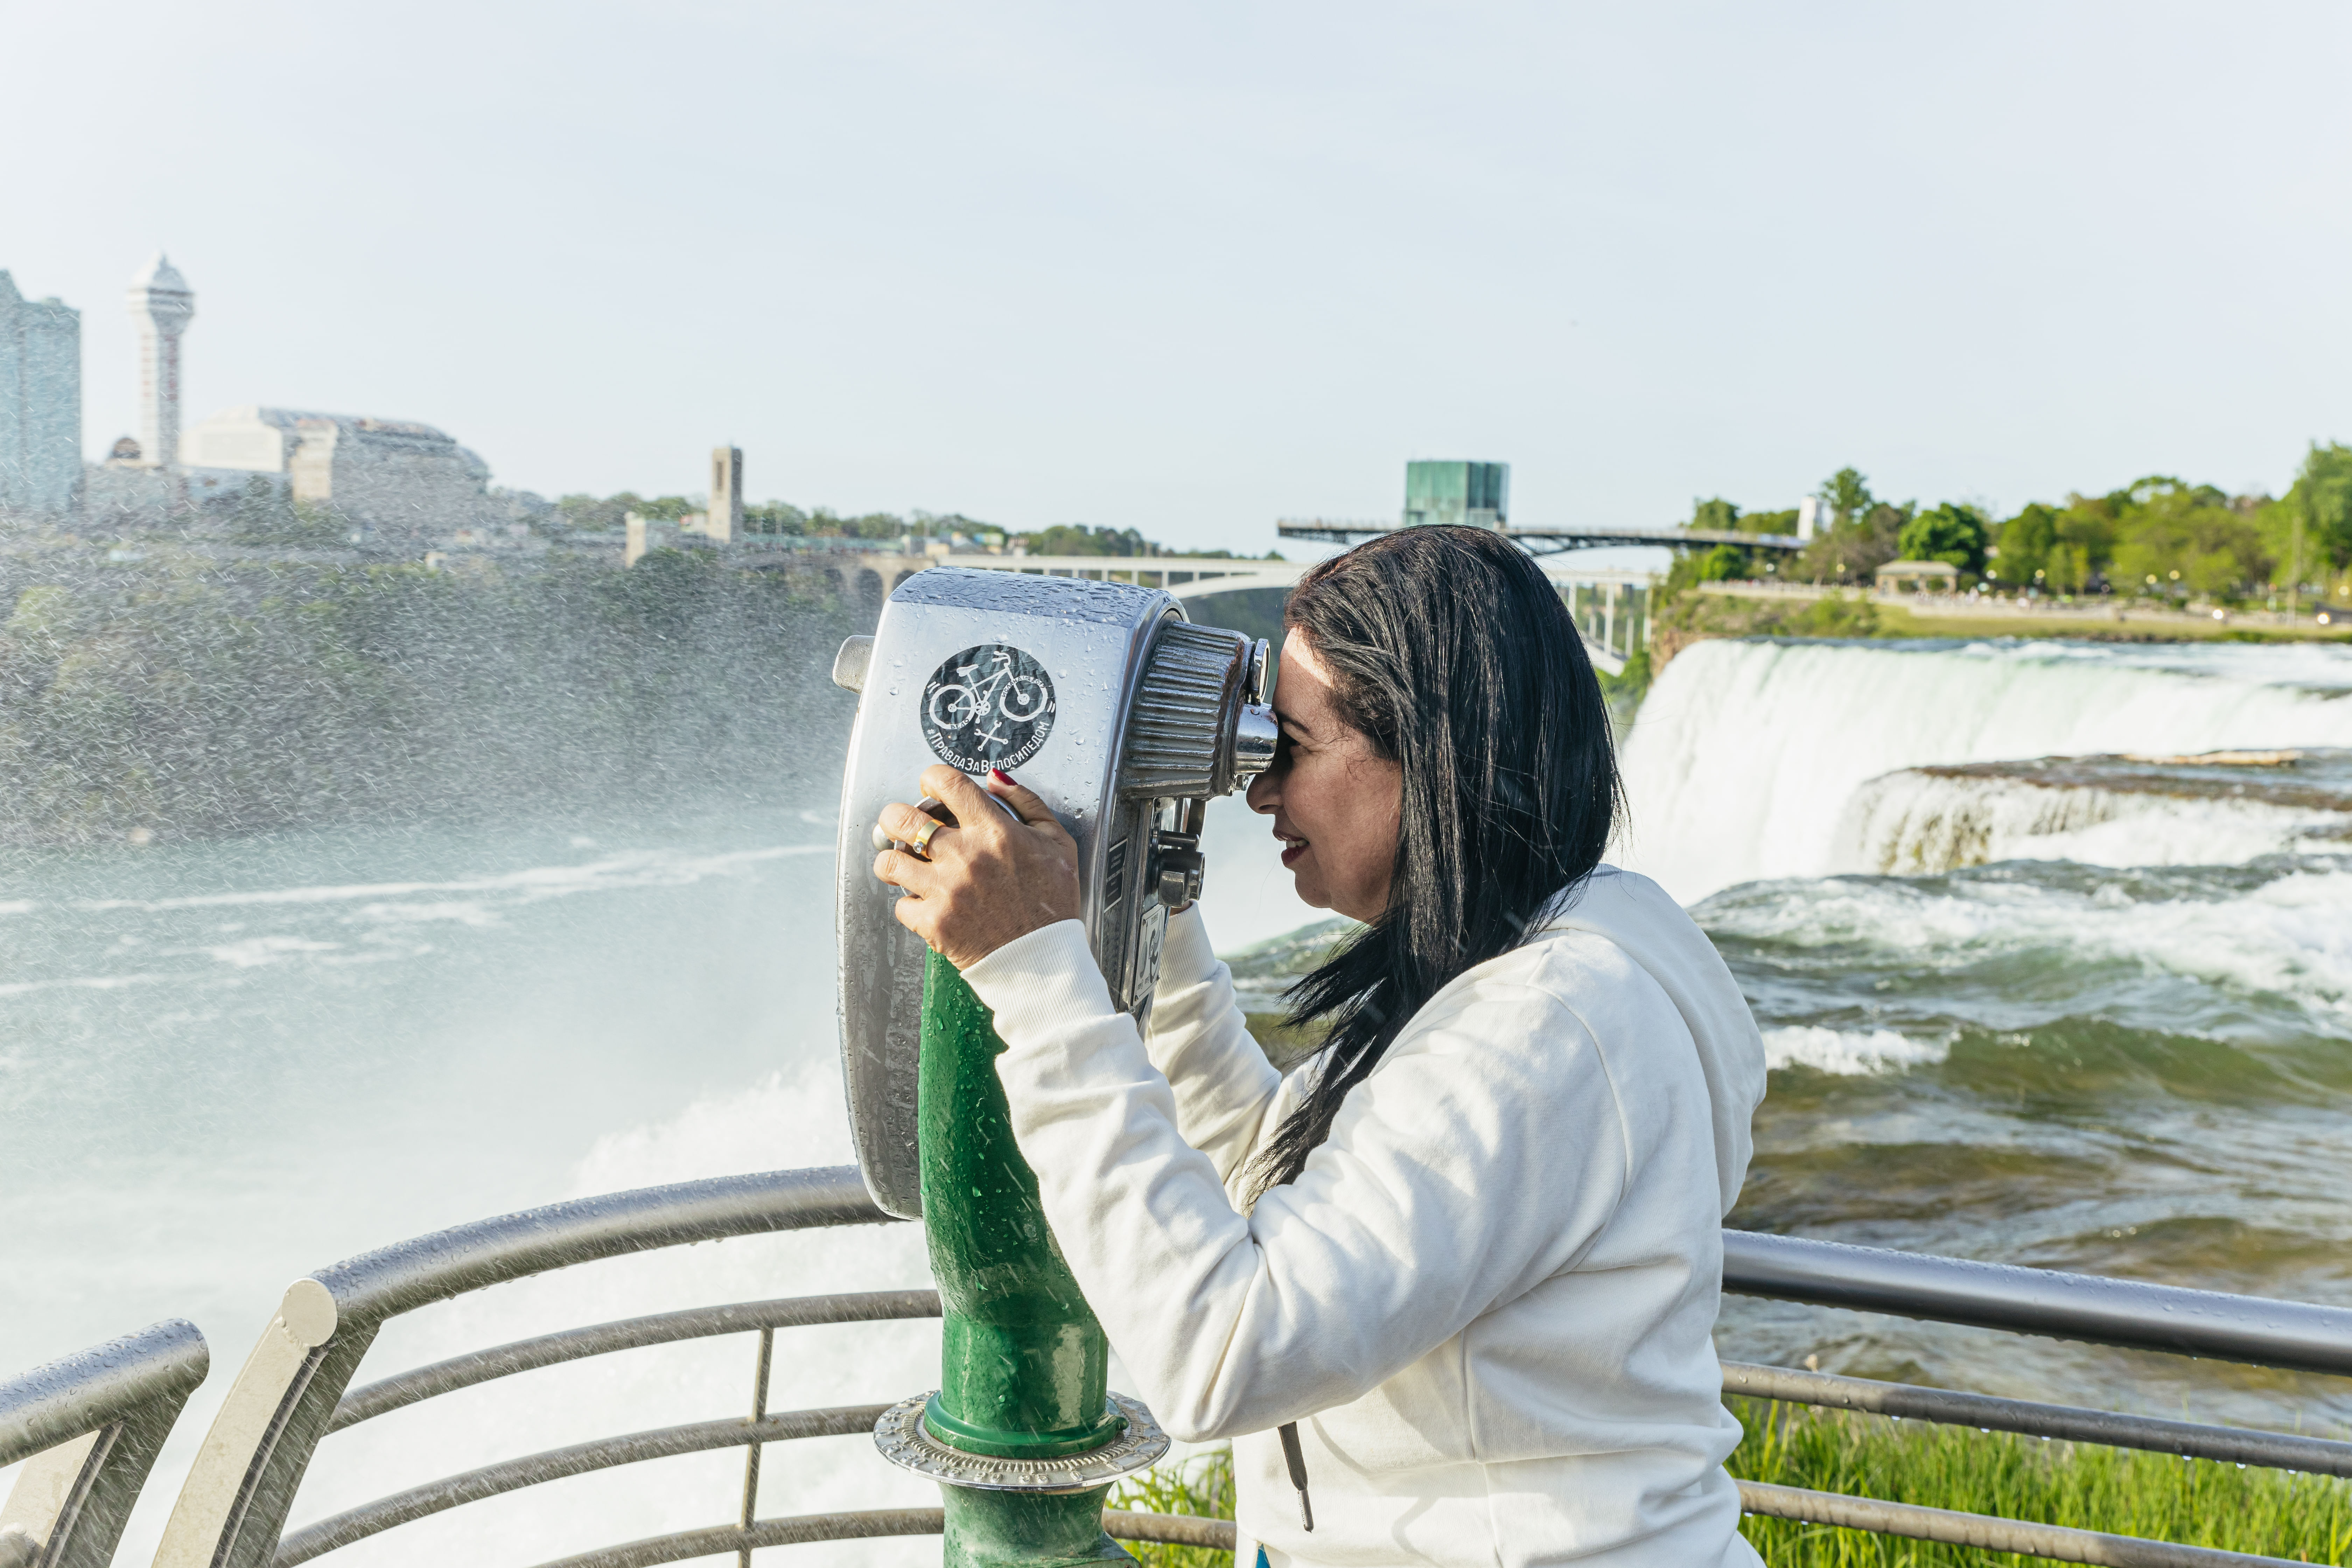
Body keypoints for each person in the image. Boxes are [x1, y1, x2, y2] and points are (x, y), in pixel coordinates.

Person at [873, 526, 1768, 1567]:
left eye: (1291, 748)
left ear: (1426, 751)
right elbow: (1270, 1174)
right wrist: (1138, 900)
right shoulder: (1522, 962)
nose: (1259, 791)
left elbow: (1224, 1353)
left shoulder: (1545, 1030)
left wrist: (1035, 976)